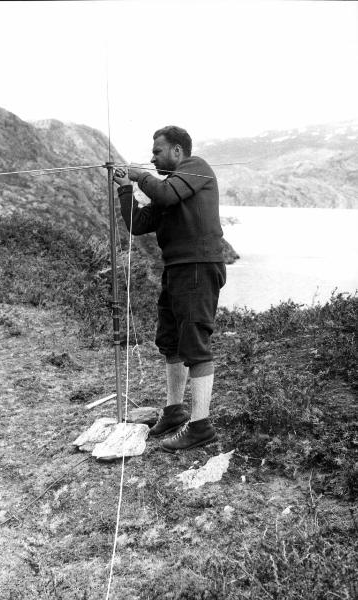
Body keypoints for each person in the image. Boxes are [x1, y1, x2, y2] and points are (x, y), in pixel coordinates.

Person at [113, 125, 226, 451]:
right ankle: (176, 412)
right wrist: (124, 189)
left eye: (157, 151)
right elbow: (138, 224)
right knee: (171, 341)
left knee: (194, 344)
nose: (152, 157)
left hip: (197, 267)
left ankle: (200, 426)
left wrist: (137, 174)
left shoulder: (196, 168)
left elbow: (162, 193)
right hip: (178, 269)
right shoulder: (171, 189)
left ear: (177, 151)